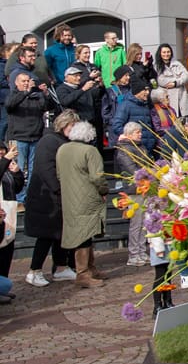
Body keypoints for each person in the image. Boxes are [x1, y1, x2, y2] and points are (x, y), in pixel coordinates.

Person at [23, 108, 79, 286]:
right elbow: (45, 168)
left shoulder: (64, 142)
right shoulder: (49, 141)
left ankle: (61, 267)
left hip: (58, 196)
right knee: (46, 235)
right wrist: (58, 189)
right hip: (46, 198)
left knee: (60, 233)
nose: (74, 129)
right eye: (71, 125)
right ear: (63, 125)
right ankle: (34, 270)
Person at [57, 121, 110, 288]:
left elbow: (59, 174)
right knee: (85, 234)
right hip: (87, 197)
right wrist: (104, 190)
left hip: (69, 197)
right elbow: (97, 177)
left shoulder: (62, 149)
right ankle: (83, 273)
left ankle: (90, 268)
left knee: (84, 232)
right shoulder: (90, 151)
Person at [7, 69, 49, 187]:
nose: (26, 83)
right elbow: (9, 105)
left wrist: (45, 94)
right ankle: (19, 195)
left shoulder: (36, 96)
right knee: (18, 169)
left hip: (35, 138)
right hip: (19, 138)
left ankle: (30, 194)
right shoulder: (13, 95)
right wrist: (25, 92)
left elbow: (46, 107)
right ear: (16, 83)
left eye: (28, 81)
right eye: (23, 81)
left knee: (33, 169)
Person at [115, 122, 149, 266]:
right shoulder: (124, 149)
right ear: (129, 134)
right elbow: (131, 169)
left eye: (140, 132)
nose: (140, 134)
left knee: (143, 222)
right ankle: (134, 254)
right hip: (134, 188)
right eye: (137, 132)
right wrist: (148, 174)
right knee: (136, 222)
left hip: (145, 187)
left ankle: (142, 251)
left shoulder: (140, 146)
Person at [0, 141, 26, 303]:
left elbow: (16, 187)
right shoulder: (3, 164)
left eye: (2, 151)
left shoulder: (6, 167)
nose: (2, 154)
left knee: (7, 250)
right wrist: (5, 161)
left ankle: (2, 287)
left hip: (8, 213)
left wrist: (17, 173)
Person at [109, 72, 157, 156]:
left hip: (148, 148)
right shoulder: (125, 105)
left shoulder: (145, 105)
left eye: (148, 90)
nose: (147, 92)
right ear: (137, 91)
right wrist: (131, 137)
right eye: (145, 90)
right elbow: (117, 126)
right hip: (134, 148)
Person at [154, 43, 188, 117]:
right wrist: (178, 78)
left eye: (168, 52)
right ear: (160, 53)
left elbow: (186, 76)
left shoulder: (177, 64)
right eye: (164, 52)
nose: (166, 54)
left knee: (184, 118)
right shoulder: (157, 66)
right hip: (169, 97)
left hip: (182, 97)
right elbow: (161, 81)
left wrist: (176, 83)